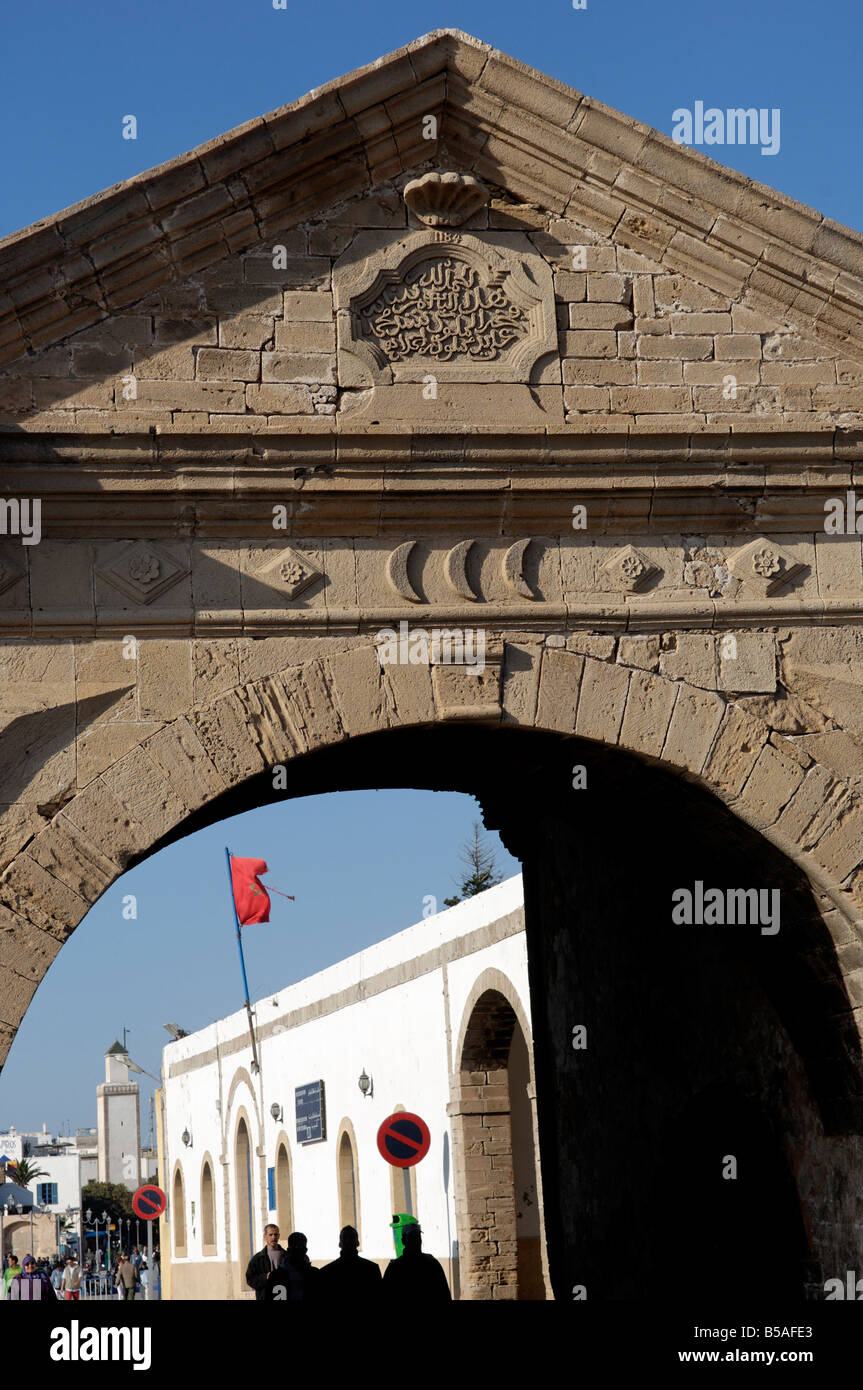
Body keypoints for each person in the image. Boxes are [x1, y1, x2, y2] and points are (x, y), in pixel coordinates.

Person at [382, 1224, 452, 1303]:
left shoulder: (432, 1264)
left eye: (418, 1236)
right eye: (412, 1237)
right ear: (403, 1241)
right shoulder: (395, 1268)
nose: (417, 1241)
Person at [318, 1225, 382, 1303]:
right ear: (358, 1243)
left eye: (351, 1237)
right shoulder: (371, 1269)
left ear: (339, 1244)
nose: (348, 1241)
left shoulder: (326, 1272)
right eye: (345, 1238)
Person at [266, 1231, 320, 1302]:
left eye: (300, 1247)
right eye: (295, 1247)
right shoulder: (277, 1276)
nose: (297, 1251)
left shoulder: (276, 1275)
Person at [245, 1223, 287, 1300]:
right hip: (265, 1296)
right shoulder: (258, 1258)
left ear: (279, 1236)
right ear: (265, 1237)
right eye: (270, 1235)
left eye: (275, 1234)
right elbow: (250, 1279)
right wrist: (265, 1277)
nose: (273, 1237)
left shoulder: (287, 1256)